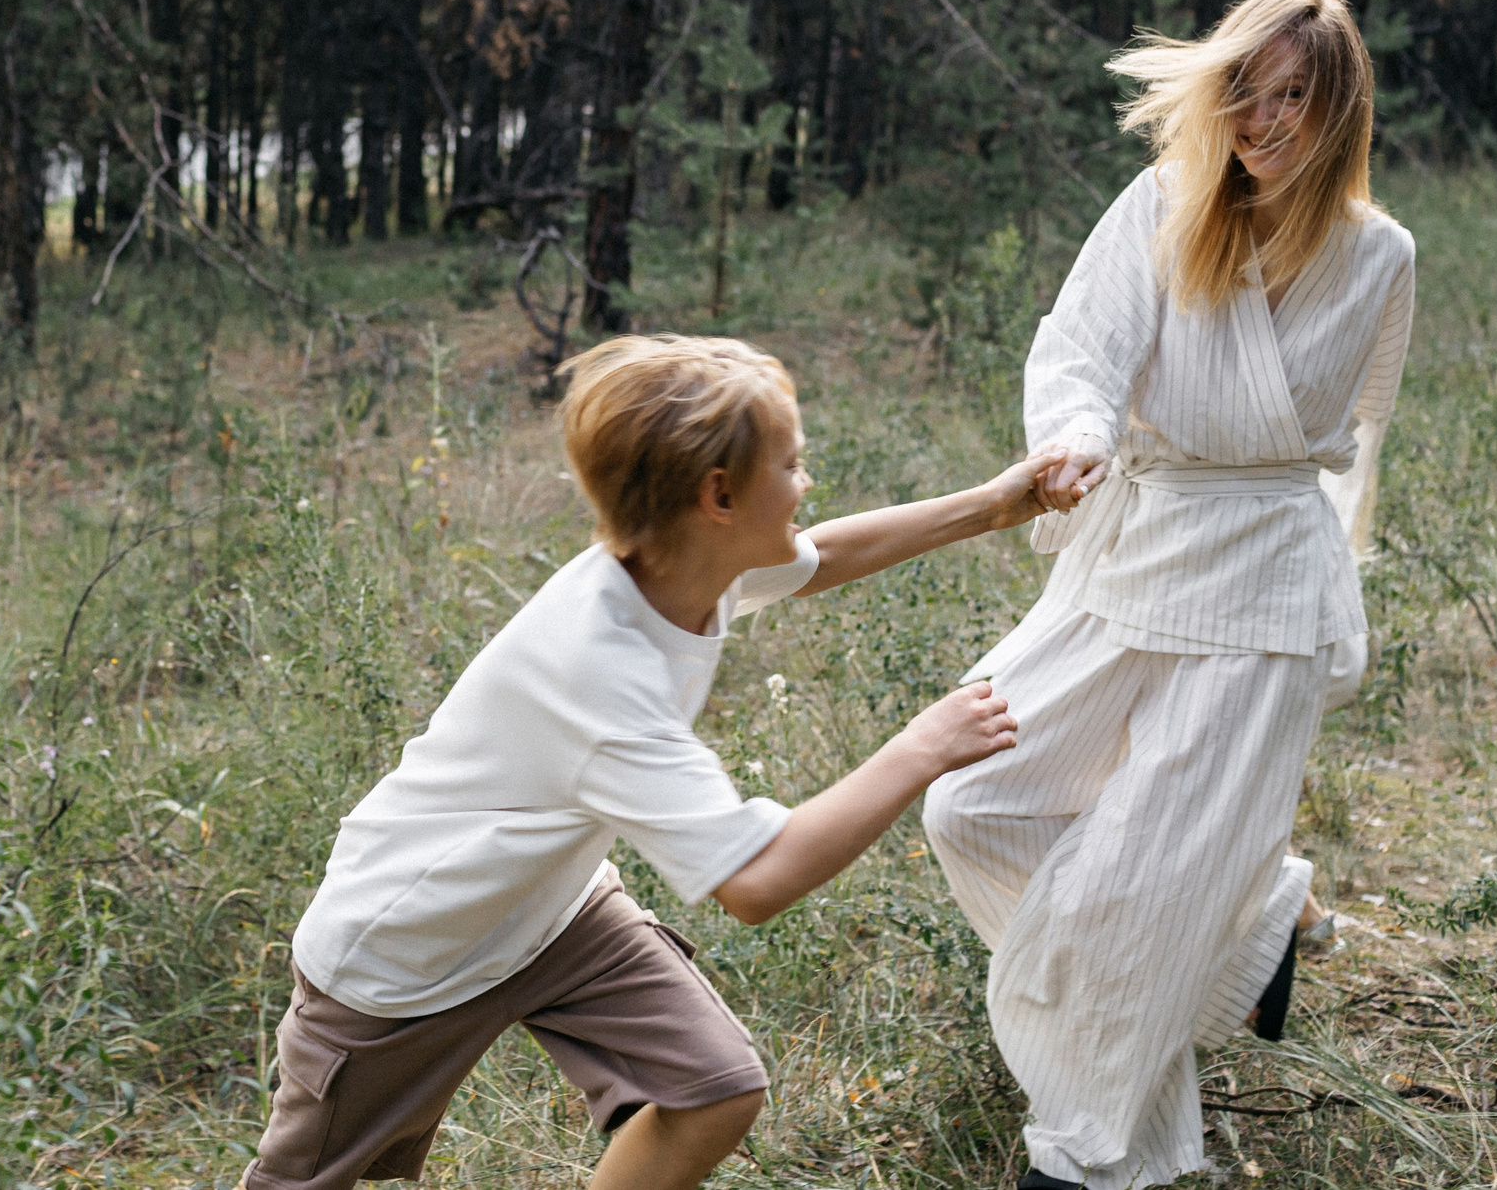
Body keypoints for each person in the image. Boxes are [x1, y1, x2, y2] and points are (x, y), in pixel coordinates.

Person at [245, 335, 1065, 1190]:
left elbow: (822, 556)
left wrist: (992, 505)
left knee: (714, 1089)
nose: (805, 482)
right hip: (407, 955)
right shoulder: (601, 672)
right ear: (719, 496)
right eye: (791, 464)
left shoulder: (681, 565)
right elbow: (756, 882)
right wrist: (919, 747)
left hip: (551, 908)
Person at [921, 0, 1416, 1190]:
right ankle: (1249, 929)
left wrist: (1328, 608)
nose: (1262, 120)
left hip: (1259, 586)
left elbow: (1362, 434)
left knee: (1135, 894)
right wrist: (1075, 439)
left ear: (1338, 106)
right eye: (1243, 90)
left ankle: (1088, 1153)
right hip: (1134, 547)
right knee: (970, 803)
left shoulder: (1379, 258)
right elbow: (1081, 346)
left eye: (1292, 94)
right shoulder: (1163, 203)